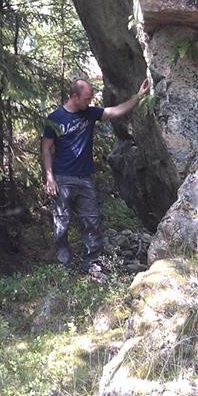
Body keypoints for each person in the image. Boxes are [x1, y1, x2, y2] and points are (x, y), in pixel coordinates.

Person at [41, 76, 149, 277]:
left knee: (91, 221)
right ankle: (63, 265)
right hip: (62, 178)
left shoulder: (90, 113)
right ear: (74, 96)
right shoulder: (55, 118)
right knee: (61, 222)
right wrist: (50, 178)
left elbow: (116, 110)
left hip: (85, 179)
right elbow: (46, 149)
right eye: (86, 98)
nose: (90, 101)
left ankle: (92, 264)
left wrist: (139, 96)